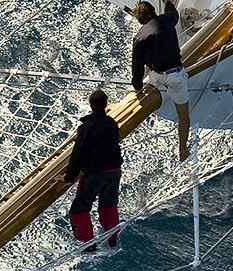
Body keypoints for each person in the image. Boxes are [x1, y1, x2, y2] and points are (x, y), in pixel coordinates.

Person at [127, 1, 190, 163]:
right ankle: (182, 149)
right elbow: (173, 12)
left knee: (147, 67)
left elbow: (137, 68)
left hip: (156, 76)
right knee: (183, 116)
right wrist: (168, 2)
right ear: (154, 11)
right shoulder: (167, 20)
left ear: (139, 20)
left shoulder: (139, 37)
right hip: (175, 75)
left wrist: (138, 89)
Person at [62, 89, 123, 253]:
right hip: (115, 170)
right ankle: (113, 239)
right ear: (105, 105)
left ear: (90, 105)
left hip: (95, 173)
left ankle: (88, 244)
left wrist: (69, 177)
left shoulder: (86, 127)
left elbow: (78, 154)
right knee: (109, 204)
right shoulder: (112, 123)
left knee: (80, 208)